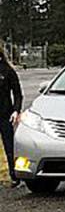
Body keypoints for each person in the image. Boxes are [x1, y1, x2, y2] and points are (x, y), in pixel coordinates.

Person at [0, 47, 23, 188]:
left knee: (9, 147)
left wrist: (16, 110)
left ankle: (15, 176)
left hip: (5, 115)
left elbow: (18, 94)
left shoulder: (7, 70)